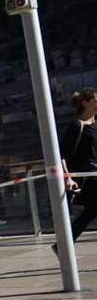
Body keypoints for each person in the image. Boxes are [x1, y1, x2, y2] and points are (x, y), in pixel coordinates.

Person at [61, 89, 97, 241]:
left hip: (95, 175)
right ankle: (64, 244)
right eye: (95, 99)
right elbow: (62, 155)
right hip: (86, 177)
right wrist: (68, 178)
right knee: (91, 210)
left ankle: (64, 244)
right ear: (85, 103)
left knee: (91, 211)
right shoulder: (77, 126)